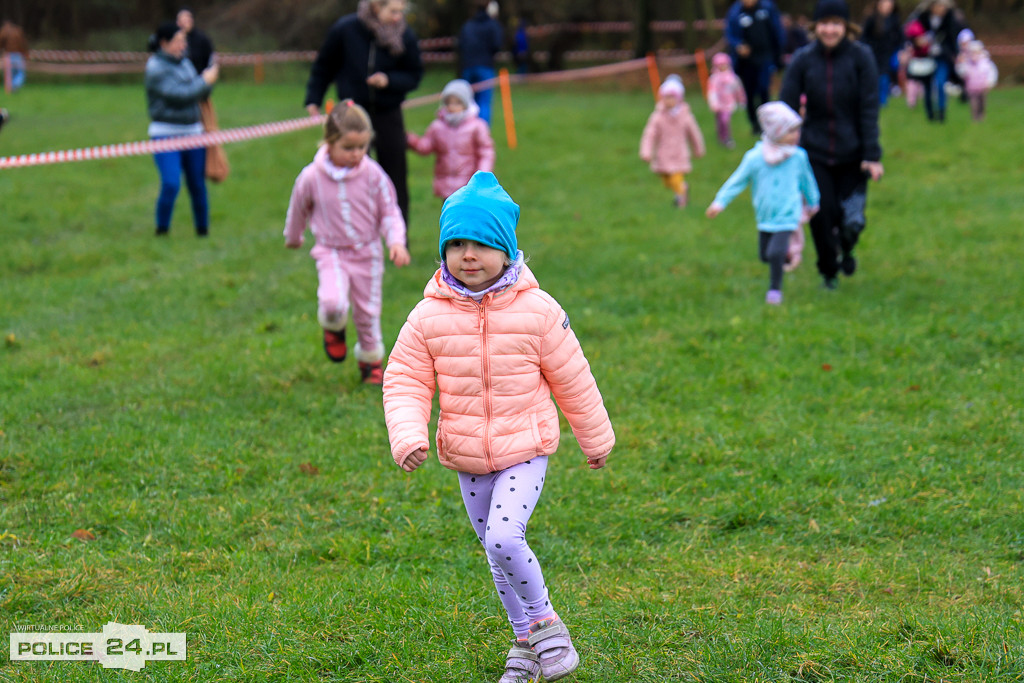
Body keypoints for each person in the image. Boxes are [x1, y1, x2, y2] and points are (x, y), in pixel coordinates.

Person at [382, 170, 615, 683]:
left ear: (506, 251)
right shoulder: (427, 317)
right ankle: (526, 647)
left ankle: (549, 629)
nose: (468, 255)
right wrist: (408, 434)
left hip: (525, 447)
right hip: (467, 456)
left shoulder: (538, 311)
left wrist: (595, 438)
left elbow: (573, 378)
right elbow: (404, 379)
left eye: (482, 244)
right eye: (456, 244)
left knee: (504, 539)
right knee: (496, 555)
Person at [284, 100, 410, 385]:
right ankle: (334, 326)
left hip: (368, 252)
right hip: (330, 251)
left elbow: (389, 211)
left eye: (362, 147)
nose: (356, 154)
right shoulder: (311, 177)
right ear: (329, 142)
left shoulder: (373, 175)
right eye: (348, 147)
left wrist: (396, 241)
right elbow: (298, 207)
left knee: (367, 311)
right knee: (332, 301)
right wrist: (293, 236)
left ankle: (370, 360)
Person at [779, 0, 883, 291]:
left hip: (854, 153)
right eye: (824, 23)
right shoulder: (803, 60)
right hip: (814, 153)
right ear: (815, 27)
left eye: (836, 24)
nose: (829, 30)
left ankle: (846, 246)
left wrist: (871, 154)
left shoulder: (861, 58)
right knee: (821, 214)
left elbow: (869, 108)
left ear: (846, 27)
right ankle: (828, 271)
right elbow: (786, 106)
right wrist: (779, 145)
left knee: (850, 221)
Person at [304, 0, 424, 229]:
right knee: (353, 176)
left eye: (401, 12)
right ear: (377, 7)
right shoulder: (345, 29)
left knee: (395, 178)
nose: (398, 17)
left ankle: (399, 237)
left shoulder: (404, 35)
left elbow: (414, 74)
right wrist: (313, 99)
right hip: (353, 117)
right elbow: (324, 66)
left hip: (388, 113)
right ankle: (356, 232)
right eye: (393, 11)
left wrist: (389, 80)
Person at [705, 102, 820, 305]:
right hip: (765, 214)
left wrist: (813, 202)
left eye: (796, 130)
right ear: (776, 132)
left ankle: (775, 291)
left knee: (774, 254)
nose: (796, 135)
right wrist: (719, 202)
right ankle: (788, 254)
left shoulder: (798, 157)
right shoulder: (755, 158)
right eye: (790, 131)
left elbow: (807, 181)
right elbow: (737, 181)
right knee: (765, 256)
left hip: (788, 213)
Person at [145, 21, 219, 237]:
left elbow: (199, 93)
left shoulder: (185, 63)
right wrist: (205, 81)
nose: (183, 45)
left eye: (183, 41)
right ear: (164, 43)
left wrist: (209, 81)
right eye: (178, 41)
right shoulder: (154, 68)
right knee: (171, 183)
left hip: (194, 132)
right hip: (164, 133)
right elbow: (180, 96)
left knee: (197, 183)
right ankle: (162, 230)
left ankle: (202, 231)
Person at [406, 79, 495, 199]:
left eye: (457, 103)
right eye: (448, 103)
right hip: (446, 186)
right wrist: (409, 139)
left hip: (468, 185)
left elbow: (486, 152)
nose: (452, 107)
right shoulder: (437, 127)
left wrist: (482, 174)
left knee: (466, 211)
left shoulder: (477, 127)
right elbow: (425, 146)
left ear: (466, 103)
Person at [639, 75, 706, 208]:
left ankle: (681, 199)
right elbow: (649, 134)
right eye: (666, 97)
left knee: (676, 178)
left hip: (679, 153)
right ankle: (681, 190)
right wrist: (646, 152)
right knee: (666, 180)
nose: (669, 101)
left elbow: (694, 133)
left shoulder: (685, 116)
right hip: (663, 153)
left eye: (672, 97)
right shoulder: (657, 116)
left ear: (679, 98)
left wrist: (698, 149)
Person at [725, 0, 785, 135]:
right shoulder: (735, 12)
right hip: (746, 62)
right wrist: (738, 46)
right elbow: (730, 34)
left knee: (764, 90)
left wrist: (778, 55)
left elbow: (777, 31)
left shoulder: (767, 8)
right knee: (749, 93)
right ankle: (754, 123)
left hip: (765, 57)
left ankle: (767, 122)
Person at [906, 0, 962, 122]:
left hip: (942, 57)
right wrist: (918, 42)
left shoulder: (950, 19)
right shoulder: (922, 18)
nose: (941, 8)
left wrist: (954, 54)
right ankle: (930, 113)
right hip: (925, 57)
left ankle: (941, 112)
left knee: (940, 83)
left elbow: (954, 39)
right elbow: (911, 34)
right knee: (927, 87)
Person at [458, 0, 504, 126]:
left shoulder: (468, 25)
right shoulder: (492, 25)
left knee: (467, 101)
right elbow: (497, 44)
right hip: (485, 66)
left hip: (467, 66)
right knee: (484, 102)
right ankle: (481, 131)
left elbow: (461, 45)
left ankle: (467, 129)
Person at [861, 0, 904, 105]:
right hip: (873, 52)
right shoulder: (872, 18)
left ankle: (883, 100)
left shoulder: (894, 19)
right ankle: (873, 97)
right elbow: (864, 37)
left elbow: (900, 36)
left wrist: (900, 49)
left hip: (887, 53)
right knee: (873, 75)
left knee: (884, 76)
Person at [706, 53, 746, 148]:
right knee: (720, 121)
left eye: (724, 64)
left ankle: (727, 138)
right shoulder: (714, 78)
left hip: (729, 103)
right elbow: (712, 92)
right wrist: (714, 103)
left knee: (725, 120)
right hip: (718, 104)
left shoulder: (732, 78)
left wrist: (741, 100)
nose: (722, 67)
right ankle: (721, 137)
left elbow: (738, 89)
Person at [956, 39, 998, 121]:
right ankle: (975, 117)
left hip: (982, 86)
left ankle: (981, 115)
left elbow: (991, 72)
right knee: (973, 102)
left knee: (982, 102)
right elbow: (962, 72)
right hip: (971, 86)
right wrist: (961, 64)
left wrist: (990, 82)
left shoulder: (985, 62)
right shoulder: (967, 62)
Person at [176, 8, 214, 75]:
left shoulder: (202, 38)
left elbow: (210, 59)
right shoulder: (172, 40)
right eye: (183, 20)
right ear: (178, 22)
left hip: (199, 76)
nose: (186, 23)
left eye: (188, 20)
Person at [0, 20, 28, 91]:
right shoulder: (18, 31)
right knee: (20, 73)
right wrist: (25, 53)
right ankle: (15, 84)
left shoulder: (4, 31)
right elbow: (23, 43)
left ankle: (10, 87)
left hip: (8, 55)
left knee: (9, 74)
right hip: (18, 55)